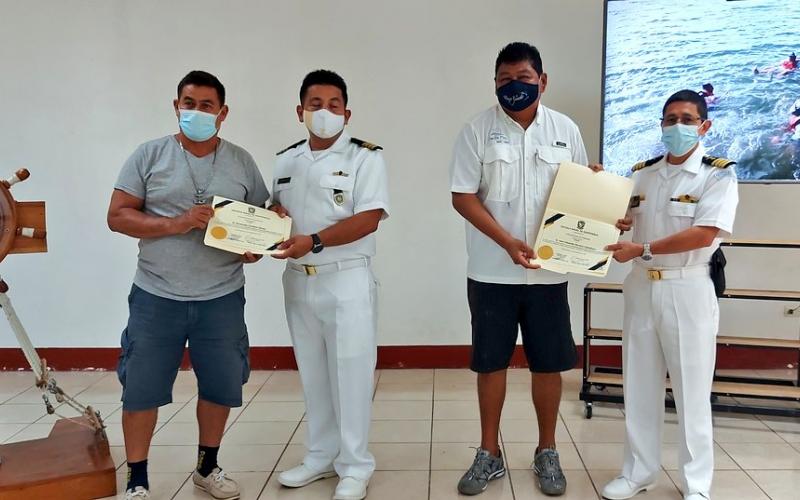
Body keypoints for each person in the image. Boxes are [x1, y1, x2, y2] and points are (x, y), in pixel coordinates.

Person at [449, 42, 609, 497]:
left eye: (522, 77)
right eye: (504, 80)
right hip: (490, 272)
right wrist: (506, 242)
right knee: (491, 363)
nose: (513, 86)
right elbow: (463, 195)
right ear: (494, 84)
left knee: (548, 363)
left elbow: (579, 193)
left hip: (549, 273)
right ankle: (488, 453)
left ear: (542, 80)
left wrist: (599, 191)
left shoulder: (565, 129)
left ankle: (547, 451)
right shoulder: (477, 130)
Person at [108, 70, 269, 500]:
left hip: (221, 296)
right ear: (176, 106)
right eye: (188, 103)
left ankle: (207, 467)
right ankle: (137, 479)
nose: (196, 112)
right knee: (141, 388)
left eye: (206, 105)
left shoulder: (241, 161)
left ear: (223, 113)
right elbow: (118, 215)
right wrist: (177, 223)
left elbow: (259, 218)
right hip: (156, 295)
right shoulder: (149, 155)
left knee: (220, 384)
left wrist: (257, 245)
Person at [601, 90, 739, 500]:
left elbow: (705, 233)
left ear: (704, 126)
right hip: (642, 287)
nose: (676, 126)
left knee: (691, 392)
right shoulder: (640, 174)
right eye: (669, 119)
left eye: (686, 119)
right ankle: (638, 473)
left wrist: (642, 249)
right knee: (639, 386)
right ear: (660, 125)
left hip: (688, 286)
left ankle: (697, 485)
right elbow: (620, 223)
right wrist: (598, 195)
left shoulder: (717, 175)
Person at [269, 69, 390, 500]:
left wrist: (315, 241)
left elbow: (369, 217)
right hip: (298, 282)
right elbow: (275, 211)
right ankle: (321, 456)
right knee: (314, 374)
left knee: (351, 374)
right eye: (315, 104)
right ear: (300, 110)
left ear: (347, 112)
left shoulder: (365, 157)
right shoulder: (285, 160)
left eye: (333, 105)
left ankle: (355, 464)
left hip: (346, 279)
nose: (324, 112)